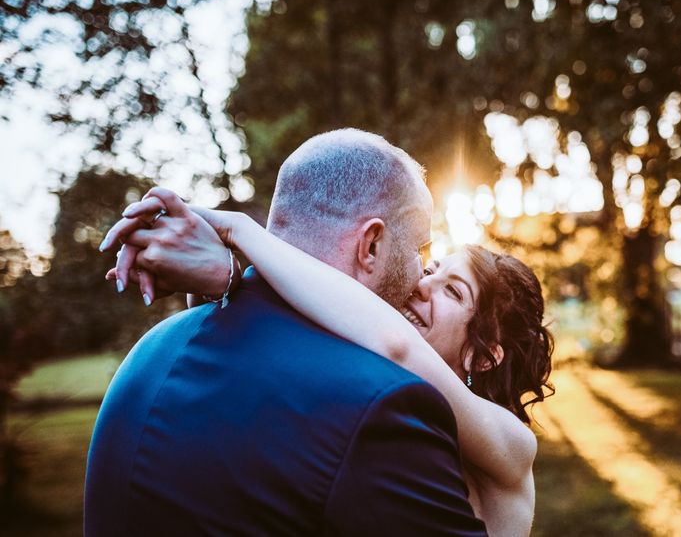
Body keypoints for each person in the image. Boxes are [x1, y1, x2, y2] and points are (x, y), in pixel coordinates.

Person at [85, 129, 489, 536]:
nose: (422, 275)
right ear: (371, 245)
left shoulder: (151, 350)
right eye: (419, 249)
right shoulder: (381, 407)